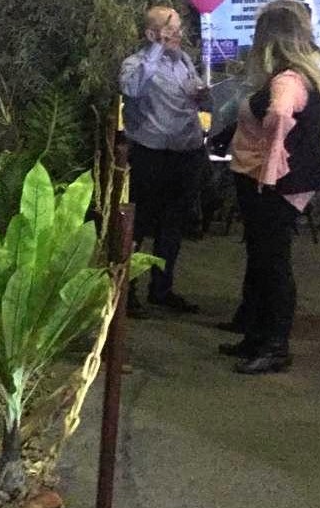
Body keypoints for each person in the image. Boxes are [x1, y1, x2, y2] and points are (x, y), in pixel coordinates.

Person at [216, 1, 320, 374]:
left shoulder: (287, 80)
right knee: (263, 260)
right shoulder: (295, 75)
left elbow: (280, 115)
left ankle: (275, 345)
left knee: (273, 263)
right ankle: (258, 335)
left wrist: (269, 161)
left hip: (276, 184)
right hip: (272, 181)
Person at [120, 5, 208, 315]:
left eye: (179, 30)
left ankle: (162, 288)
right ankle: (126, 292)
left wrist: (202, 94)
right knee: (140, 225)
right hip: (151, 155)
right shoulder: (136, 64)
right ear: (151, 34)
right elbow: (131, 88)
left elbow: (192, 92)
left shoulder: (184, 61)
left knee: (172, 226)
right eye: (171, 31)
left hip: (185, 153)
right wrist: (158, 47)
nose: (178, 36)